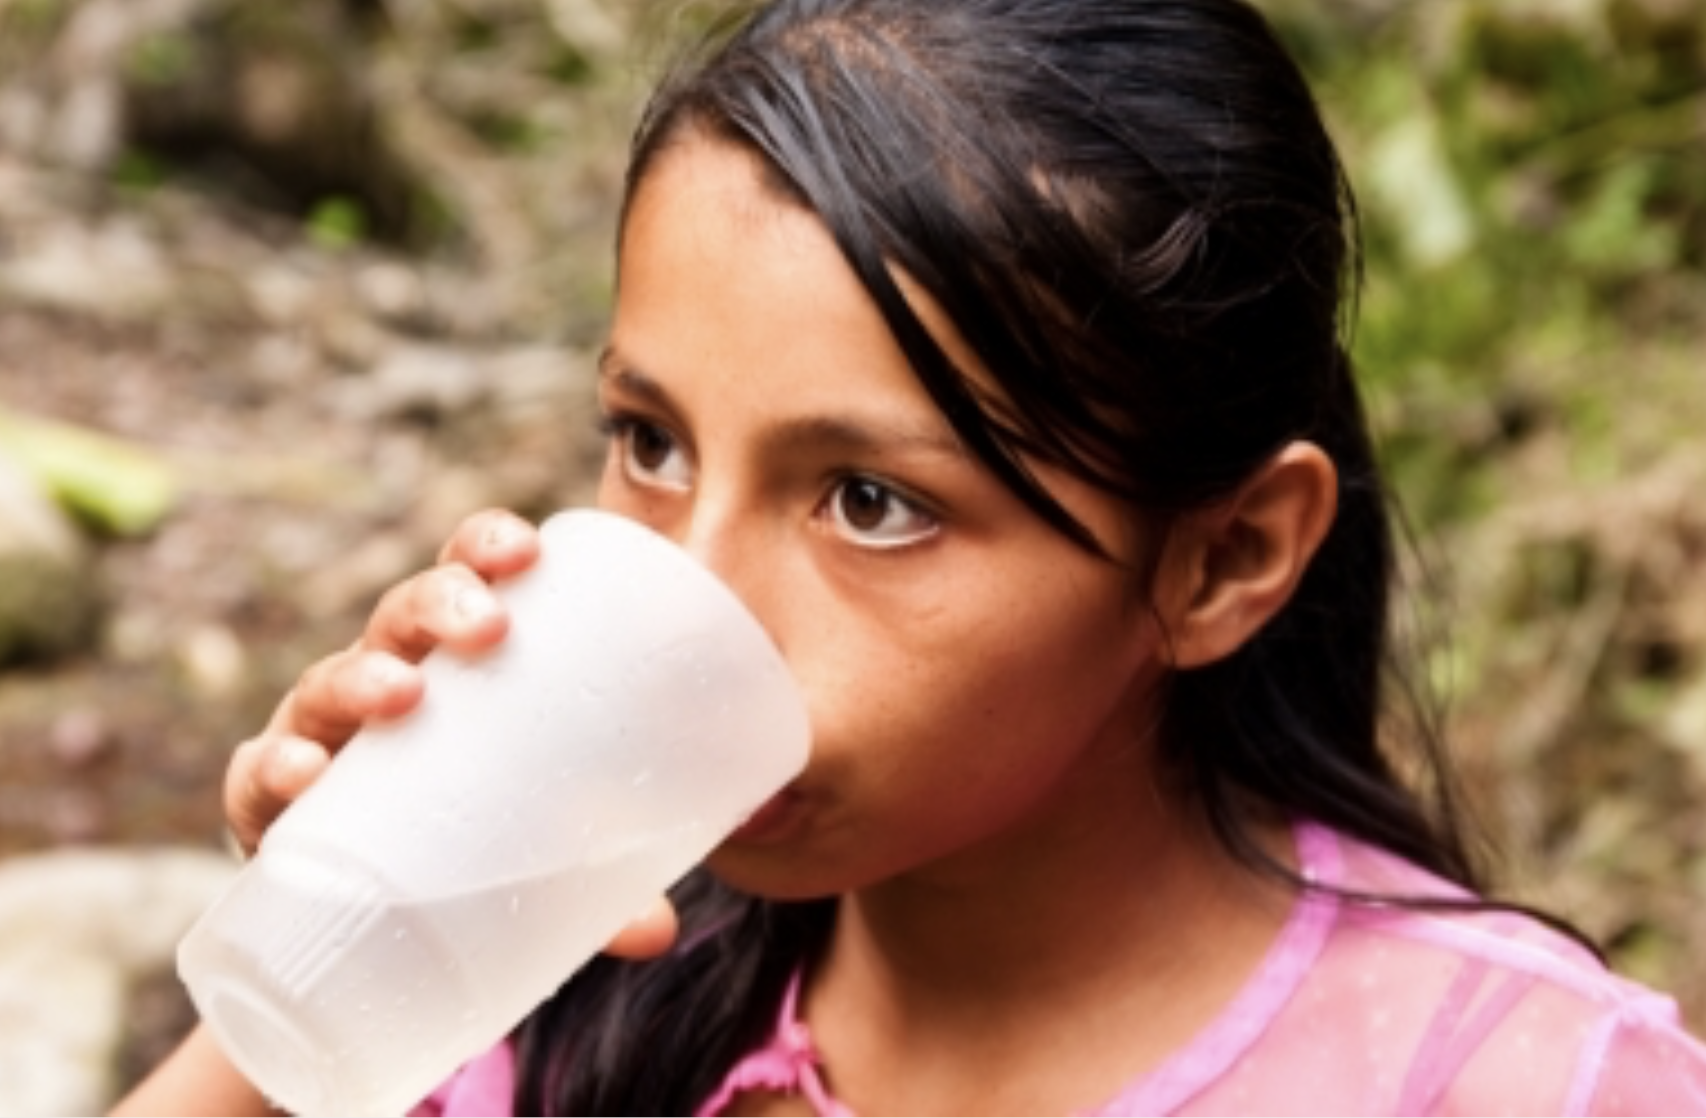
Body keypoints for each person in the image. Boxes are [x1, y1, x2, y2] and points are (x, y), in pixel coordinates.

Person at [114, 1, 1706, 1113]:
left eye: (871, 500)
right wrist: (333, 961)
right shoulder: (578, 990)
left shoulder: (1510, 1079)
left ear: (1219, 559)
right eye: (649, 442)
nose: (701, 590)